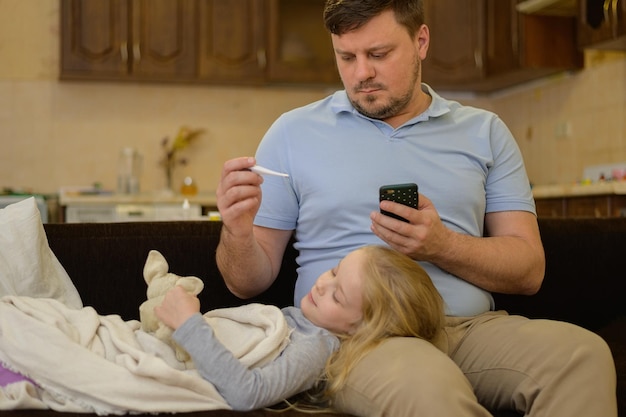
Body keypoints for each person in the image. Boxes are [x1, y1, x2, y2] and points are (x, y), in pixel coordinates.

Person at [214, 0, 618, 416]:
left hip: (465, 329)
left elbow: (529, 270)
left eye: (378, 54)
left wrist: (442, 245)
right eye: (346, 57)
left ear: (420, 41)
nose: (361, 73)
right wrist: (237, 231)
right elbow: (246, 282)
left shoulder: (485, 132)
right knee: (426, 385)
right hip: (357, 337)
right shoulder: (291, 133)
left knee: (583, 356)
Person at [156, 244, 444, 411]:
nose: (321, 284)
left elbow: (248, 393)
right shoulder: (308, 321)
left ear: (361, 329)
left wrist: (188, 324)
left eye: (337, 295)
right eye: (334, 271)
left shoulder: (316, 346)